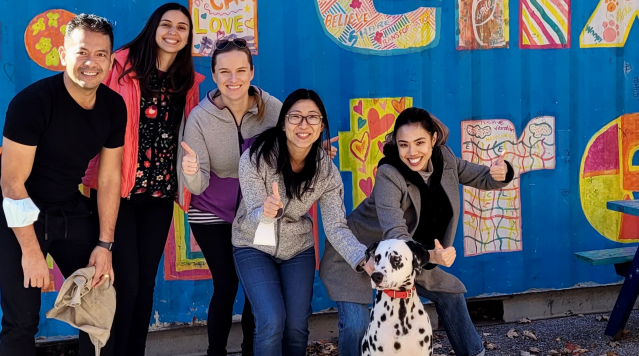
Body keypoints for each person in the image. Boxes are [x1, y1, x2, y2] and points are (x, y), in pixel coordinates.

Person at [319, 107, 515, 356]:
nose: (412, 152)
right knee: (357, 325)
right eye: (404, 145)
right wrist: (431, 256)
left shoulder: (445, 159)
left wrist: (503, 171)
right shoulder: (389, 174)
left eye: (420, 142)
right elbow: (395, 234)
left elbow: (484, 177)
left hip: (404, 259)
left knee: (451, 295)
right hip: (357, 253)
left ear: (433, 139)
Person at [0, 14, 126, 356]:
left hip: (67, 205)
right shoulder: (32, 103)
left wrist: (104, 245)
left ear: (110, 61)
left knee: (98, 300)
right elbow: (12, 184)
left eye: (101, 54)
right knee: (21, 320)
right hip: (17, 209)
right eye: (82, 52)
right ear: (63, 55)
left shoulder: (113, 106)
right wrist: (33, 253)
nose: (91, 63)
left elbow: (109, 178)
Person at [82, 3, 204, 356]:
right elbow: (93, 115)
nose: (173, 32)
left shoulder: (187, 82)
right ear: (153, 28)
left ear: (188, 37)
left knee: (146, 283)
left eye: (181, 27)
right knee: (125, 282)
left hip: (160, 194)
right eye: (166, 24)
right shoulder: (121, 67)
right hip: (117, 191)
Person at [231, 89, 372, 356]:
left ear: (321, 125)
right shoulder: (255, 158)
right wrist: (266, 212)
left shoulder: (326, 172)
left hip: (298, 249)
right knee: (271, 321)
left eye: (312, 118)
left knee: (296, 327)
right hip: (252, 245)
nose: (303, 125)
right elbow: (253, 213)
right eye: (295, 117)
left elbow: (336, 227)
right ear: (284, 123)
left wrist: (363, 259)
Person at [178, 38, 278, 356]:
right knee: (226, 283)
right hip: (210, 211)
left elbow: (293, 149)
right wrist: (191, 171)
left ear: (251, 72)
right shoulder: (200, 118)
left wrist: (314, 153)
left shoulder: (272, 109)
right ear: (214, 75)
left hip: (255, 210)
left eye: (240, 70)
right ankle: (215, 353)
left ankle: (252, 350)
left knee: (254, 284)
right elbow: (197, 186)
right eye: (224, 72)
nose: (233, 79)